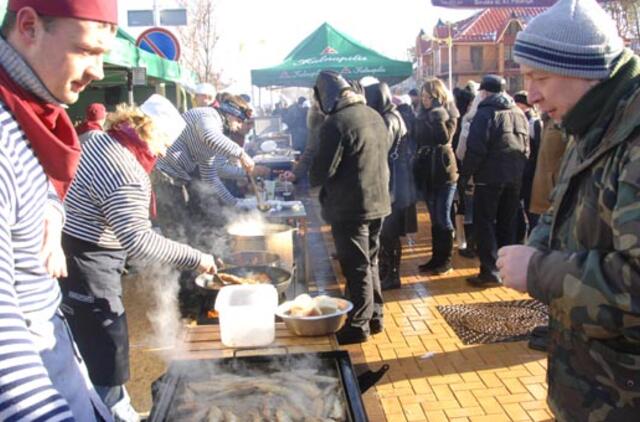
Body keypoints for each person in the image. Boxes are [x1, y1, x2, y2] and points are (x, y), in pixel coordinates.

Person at [497, 0, 640, 419]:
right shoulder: (590, 123)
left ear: (587, 71)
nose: (531, 93)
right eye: (525, 77)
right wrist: (536, 246)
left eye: (540, 76)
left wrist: (540, 271)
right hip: (591, 386)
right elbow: (565, 205)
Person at [61, 95, 218, 421]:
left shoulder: (101, 139)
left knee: (88, 345)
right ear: (150, 131)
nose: (163, 153)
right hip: (89, 261)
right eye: (163, 143)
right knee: (107, 346)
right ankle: (113, 413)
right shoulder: (127, 170)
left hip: (69, 251)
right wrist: (196, 256)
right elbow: (138, 241)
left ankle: (116, 408)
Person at [0, 0, 117, 420]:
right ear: (29, 26)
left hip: (61, 365)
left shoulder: (30, 114)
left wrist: (51, 208)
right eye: (87, 51)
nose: (99, 72)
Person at [310, 71, 391, 345]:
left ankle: (358, 325)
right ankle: (375, 316)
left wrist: (309, 178)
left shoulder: (337, 123)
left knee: (356, 267)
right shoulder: (373, 115)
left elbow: (323, 169)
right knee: (371, 261)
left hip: (351, 207)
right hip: (379, 201)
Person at [461, 75, 529, 287]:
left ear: (484, 92)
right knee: (507, 224)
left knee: (485, 224)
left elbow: (475, 149)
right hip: (514, 177)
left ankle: (489, 271)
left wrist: (465, 176)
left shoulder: (485, 113)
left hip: (488, 179)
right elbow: (526, 147)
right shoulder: (518, 113)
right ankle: (506, 270)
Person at [365, 82, 416, 290]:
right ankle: (389, 271)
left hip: (393, 184)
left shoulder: (388, 120)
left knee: (390, 232)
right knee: (389, 232)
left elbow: (380, 150)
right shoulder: (393, 115)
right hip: (398, 180)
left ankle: (392, 274)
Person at [414, 78, 458, 275]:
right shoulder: (421, 115)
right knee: (434, 218)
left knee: (443, 216)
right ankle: (436, 258)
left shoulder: (449, 114)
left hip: (445, 171)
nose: (424, 100)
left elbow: (444, 138)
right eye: (423, 97)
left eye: (428, 97)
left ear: (439, 96)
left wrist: (438, 114)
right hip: (426, 171)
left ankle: (446, 260)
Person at [514, 91, 543, 240]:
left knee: (531, 211)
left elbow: (538, 151)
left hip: (530, 174)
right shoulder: (529, 121)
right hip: (525, 172)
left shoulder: (535, 124)